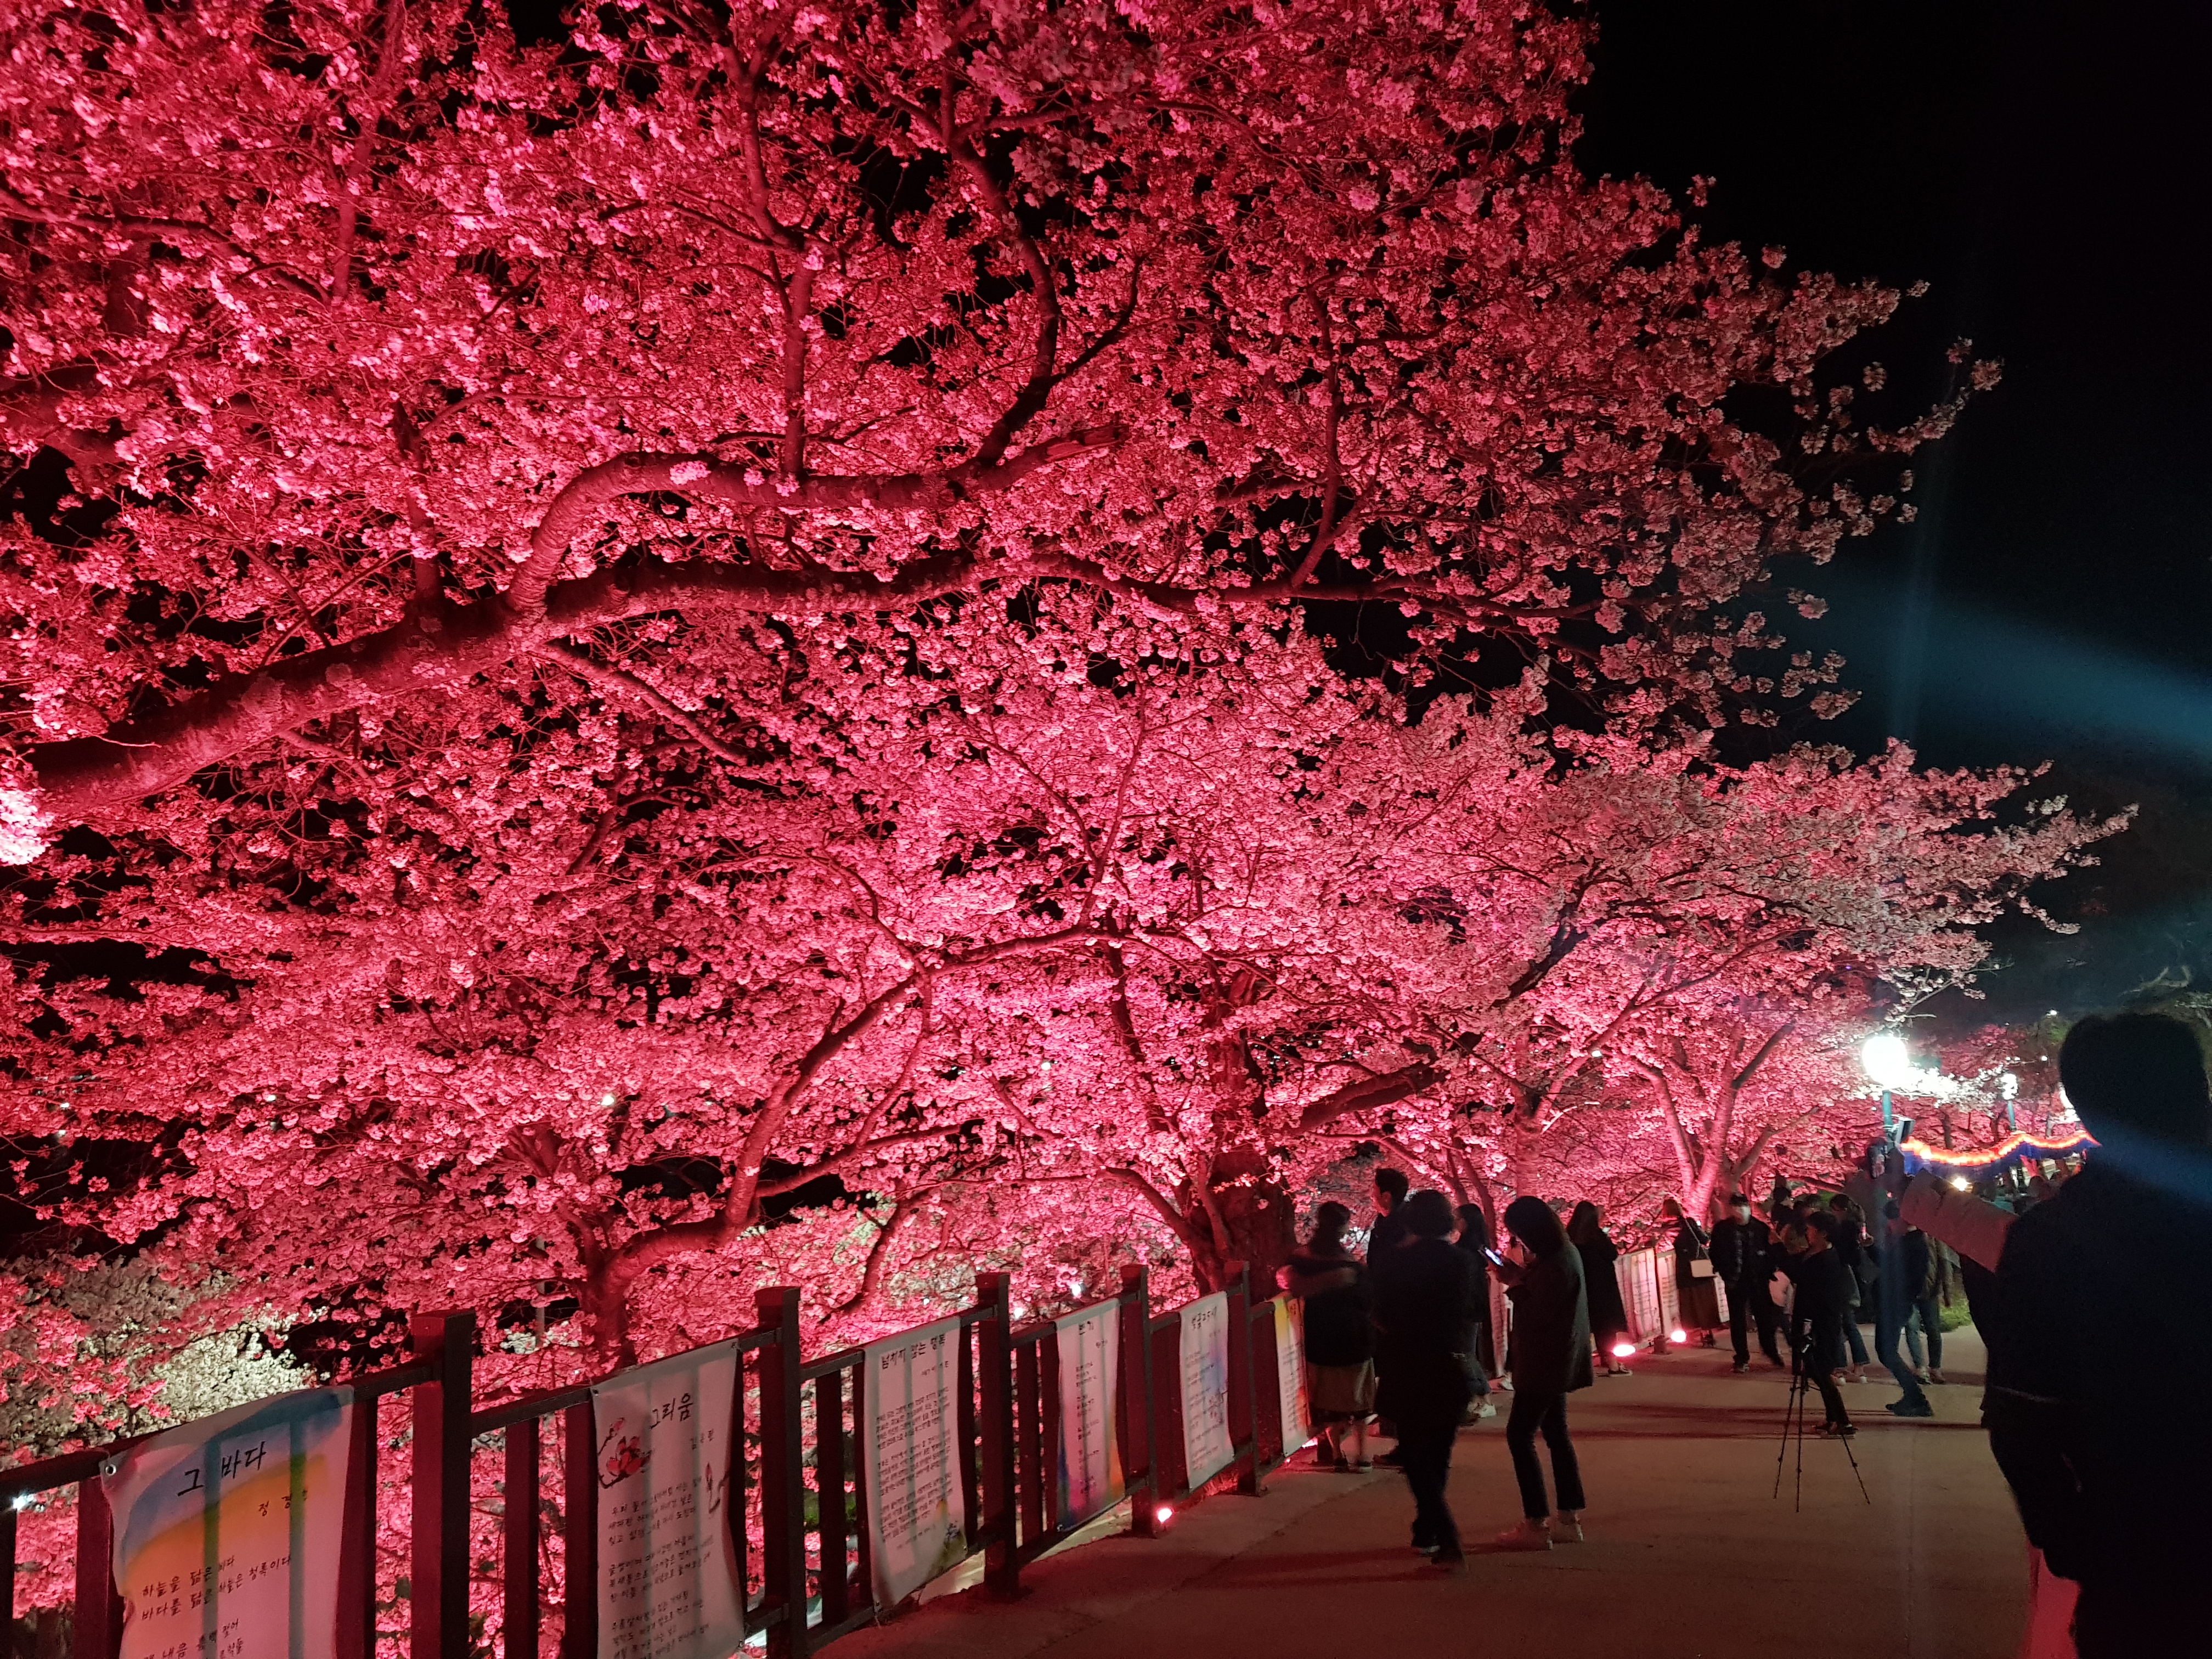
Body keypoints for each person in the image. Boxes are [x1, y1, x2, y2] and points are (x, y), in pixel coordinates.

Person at [1984, 1011, 2212, 1655]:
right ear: (2198, 1089)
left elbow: (2021, 1419)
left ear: (2087, 1115)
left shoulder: (2053, 1240)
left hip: (2142, 1558)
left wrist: (2079, 1542)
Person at [1372, 1189, 1479, 1571]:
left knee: (1416, 1456)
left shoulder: (1393, 1263)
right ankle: (1428, 1529)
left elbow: (1379, 1313)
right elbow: (1472, 1310)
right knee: (1438, 1453)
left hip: (1407, 1364)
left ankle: (1445, 1536)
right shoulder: (1463, 1262)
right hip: (1449, 1365)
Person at [1493, 1195, 1593, 1549]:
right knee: (1556, 1433)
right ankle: (1568, 1517)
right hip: (1557, 1360)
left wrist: (1515, 1284)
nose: (1518, 1241)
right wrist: (1519, 1276)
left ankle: (1536, 1523)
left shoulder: (1557, 1264)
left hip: (1545, 1362)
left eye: (1518, 1234)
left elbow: (1540, 1314)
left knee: (1519, 1436)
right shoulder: (1562, 1255)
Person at [1285, 1201, 1376, 1470]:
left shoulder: (1301, 1260)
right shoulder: (1352, 1266)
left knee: (1324, 1396)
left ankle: (1337, 1454)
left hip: (1319, 1335)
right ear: (1343, 1228)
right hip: (1354, 1336)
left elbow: (1292, 1283)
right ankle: (1362, 1454)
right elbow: (1367, 1300)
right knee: (1358, 1395)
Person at [1785, 1211, 1857, 1437]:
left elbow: (1819, 1298)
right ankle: (1833, 1419)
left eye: (1811, 1229)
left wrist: (1807, 1327)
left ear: (1823, 1233)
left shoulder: (1826, 1260)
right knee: (1819, 1372)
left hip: (1821, 1324)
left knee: (1822, 1373)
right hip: (1812, 1321)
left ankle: (1843, 1422)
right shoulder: (1814, 1255)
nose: (1807, 1233)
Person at [1871, 1200, 1934, 1418]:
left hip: (1897, 1303)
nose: (1889, 1227)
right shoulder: (1910, 1241)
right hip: (1898, 1302)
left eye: (1890, 1222)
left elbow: (1897, 1272)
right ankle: (1914, 1397)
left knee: (1886, 1351)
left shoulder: (1912, 1244)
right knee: (1886, 1351)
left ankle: (1916, 1398)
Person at [1710, 1192, 1785, 1373]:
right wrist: (1724, 1272)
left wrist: (1769, 1269)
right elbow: (1715, 1253)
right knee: (1738, 1321)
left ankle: (1770, 1351)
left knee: (1764, 1319)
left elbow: (1770, 1252)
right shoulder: (1722, 1230)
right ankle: (1741, 1357)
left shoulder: (1760, 1228)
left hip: (1758, 1279)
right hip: (1735, 1281)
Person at [1566, 1201, 1633, 1375]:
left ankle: (1581, 1366)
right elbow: (1612, 1254)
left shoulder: (1570, 1237)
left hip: (1580, 1286)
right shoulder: (1596, 1236)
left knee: (1583, 1326)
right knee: (1606, 1327)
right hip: (1602, 1287)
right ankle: (1612, 1364)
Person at [1453, 1203, 1500, 1419]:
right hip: (1474, 1307)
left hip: (1466, 1309)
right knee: (1466, 1354)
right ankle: (1478, 1397)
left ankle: (1485, 1397)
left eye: (1458, 1217)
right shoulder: (1480, 1248)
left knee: (1465, 1354)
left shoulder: (1465, 1251)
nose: (1455, 1221)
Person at [1826, 1193, 1876, 1383]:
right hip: (1855, 1281)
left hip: (1844, 1279)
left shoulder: (1844, 1229)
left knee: (1839, 1323)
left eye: (1834, 1211)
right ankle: (1860, 1366)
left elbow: (1847, 1256)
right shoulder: (1858, 1225)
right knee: (1849, 1323)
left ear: (1842, 1210)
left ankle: (1839, 1368)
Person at [1660, 1197, 1721, 1345]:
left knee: (1690, 1302)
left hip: (1683, 1268)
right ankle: (1708, 1333)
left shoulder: (1665, 1229)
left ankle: (1695, 1332)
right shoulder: (1689, 1223)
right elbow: (1704, 1239)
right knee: (1704, 1300)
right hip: (1699, 1266)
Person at [1899, 1223, 1948, 1385]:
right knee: (1912, 1328)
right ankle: (1920, 1367)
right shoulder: (1903, 1237)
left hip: (1929, 1291)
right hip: (1909, 1292)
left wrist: (1947, 1291)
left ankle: (1935, 1368)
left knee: (1933, 1329)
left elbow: (1944, 1263)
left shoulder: (1934, 1237)